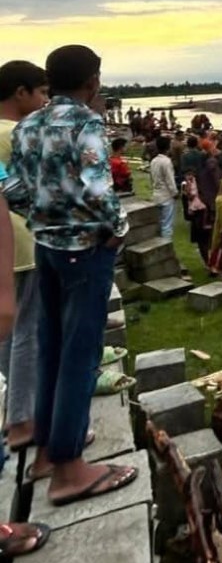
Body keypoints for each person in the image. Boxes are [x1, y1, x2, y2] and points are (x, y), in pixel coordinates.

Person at [5, 45, 139, 505]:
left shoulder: (26, 126)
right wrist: (117, 230)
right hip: (86, 249)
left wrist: (43, 218)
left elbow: (13, 188)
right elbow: (99, 189)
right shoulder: (85, 124)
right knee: (81, 353)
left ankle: (48, 450)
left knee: (52, 347)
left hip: (46, 248)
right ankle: (69, 470)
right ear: (93, 81)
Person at [0, 59, 50, 459]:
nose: (45, 100)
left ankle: (14, 411)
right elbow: (26, 191)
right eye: (42, 92)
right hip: (22, 242)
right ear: (21, 93)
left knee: (11, 331)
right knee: (28, 331)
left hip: (7, 248)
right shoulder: (15, 133)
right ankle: (22, 421)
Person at [190, 155, 222, 267]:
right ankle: (212, 264)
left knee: (206, 240)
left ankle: (211, 263)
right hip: (208, 212)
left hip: (205, 212)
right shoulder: (218, 176)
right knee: (210, 239)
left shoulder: (201, 176)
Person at [150, 135, 177, 238]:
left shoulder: (154, 161)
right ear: (168, 147)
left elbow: (152, 178)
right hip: (166, 195)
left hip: (156, 194)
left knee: (160, 222)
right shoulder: (166, 161)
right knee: (167, 224)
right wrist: (175, 193)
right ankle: (166, 246)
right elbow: (170, 180)